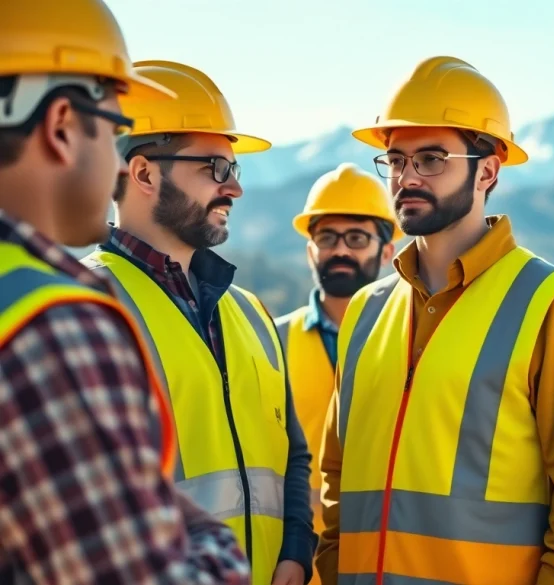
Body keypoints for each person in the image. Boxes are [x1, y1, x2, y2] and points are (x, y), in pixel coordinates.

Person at [315, 55, 554, 585]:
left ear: (487, 169)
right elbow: (337, 479)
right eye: (395, 160)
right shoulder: (367, 312)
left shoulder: (550, 303)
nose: (406, 177)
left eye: (431, 159)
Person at [0, 1, 252, 583]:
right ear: (62, 125)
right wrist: (200, 529)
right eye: (116, 132)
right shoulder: (51, 327)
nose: (117, 163)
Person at [80, 60, 316, 585]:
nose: (234, 189)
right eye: (215, 168)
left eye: (235, 170)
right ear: (142, 173)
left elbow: (292, 454)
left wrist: (296, 555)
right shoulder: (84, 307)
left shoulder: (251, 312)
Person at [274, 162, 402, 585]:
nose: (340, 250)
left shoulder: (413, 343)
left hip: (382, 560)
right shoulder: (271, 341)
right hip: (291, 564)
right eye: (326, 237)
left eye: (357, 238)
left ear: (387, 251)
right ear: (310, 250)